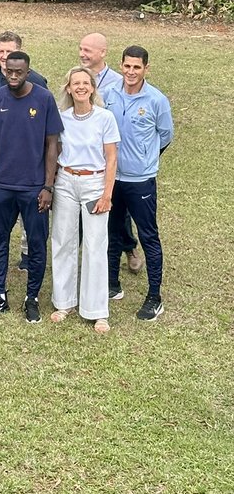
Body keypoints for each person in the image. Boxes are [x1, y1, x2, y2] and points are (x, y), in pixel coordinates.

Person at [0, 51, 63, 323]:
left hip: (34, 187)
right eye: (9, 71)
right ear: (4, 70)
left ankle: (32, 298)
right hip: (2, 185)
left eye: (19, 72)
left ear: (28, 72)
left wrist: (48, 186)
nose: (13, 76)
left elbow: (52, 145)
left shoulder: (44, 98)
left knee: (37, 244)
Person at [107, 45, 174, 321]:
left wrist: (145, 161)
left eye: (137, 67)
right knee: (111, 233)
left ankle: (154, 297)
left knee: (148, 236)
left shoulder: (156, 100)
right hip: (111, 178)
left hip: (141, 181)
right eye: (127, 66)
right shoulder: (109, 95)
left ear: (146, 68)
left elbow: (165, 135)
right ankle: (111, 285)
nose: (131, 72)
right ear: (120, 65)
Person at [51, 67, 120, 333]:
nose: (80, 87)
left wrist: (107, 194)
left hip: (94, 183)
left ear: (92, 88)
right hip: (66, 181)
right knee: (63, 240)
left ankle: (96, 310)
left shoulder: (105, 118)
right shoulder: (62, 118)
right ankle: (63, 302)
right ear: (68, 88)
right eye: (75, 83)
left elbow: (112, 158)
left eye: (85, 83)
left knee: (94, 244)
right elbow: (54, 150)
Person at [80, 31, 141, 270]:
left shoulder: (119, 81)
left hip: (111, 154)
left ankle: (129, 247)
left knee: (117, 206)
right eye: (81, 49)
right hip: (85, 155)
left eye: (88, 50)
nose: (82, 54)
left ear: (102, 53)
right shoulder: (78, 77)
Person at [0, 31, 47, 97]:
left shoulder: (37, 81)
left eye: (9, 51)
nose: (5, 56)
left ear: (20, 52)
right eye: (0, 51)